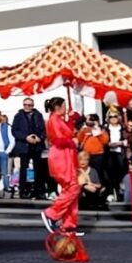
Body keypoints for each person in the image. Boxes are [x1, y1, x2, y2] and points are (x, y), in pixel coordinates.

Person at [40, 97, 81, 235]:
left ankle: (69, 224)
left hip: (67, 155)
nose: (65, 107)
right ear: (58, 106)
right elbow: (58, 139)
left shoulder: (58, 119)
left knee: (71, 187)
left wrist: (71, 119)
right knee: (72, 187)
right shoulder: (53, 119)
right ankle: (52, 213)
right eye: (63, 105)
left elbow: (67, 132)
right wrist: (72, 142)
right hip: (61, 156)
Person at [11, 97, 46, 199]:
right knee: (23, 169)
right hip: (24, 146)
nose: (27, 107)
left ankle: (39, 190)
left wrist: (40, 138)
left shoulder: (38, 115)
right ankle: (23, 190)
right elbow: (14, 131)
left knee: (38, 169)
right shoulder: (18, 116)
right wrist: (25, 137)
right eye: (25, 104)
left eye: (29, 105)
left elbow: (44, 130)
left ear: (32, 106)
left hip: (36, 146)